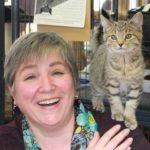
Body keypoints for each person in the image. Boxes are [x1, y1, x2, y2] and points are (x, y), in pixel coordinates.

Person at [0, 32, 149, 150]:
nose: (47, 86)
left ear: (74, 80)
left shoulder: (121, 135)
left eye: (57, 72)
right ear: (12, 91)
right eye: (30, 76)